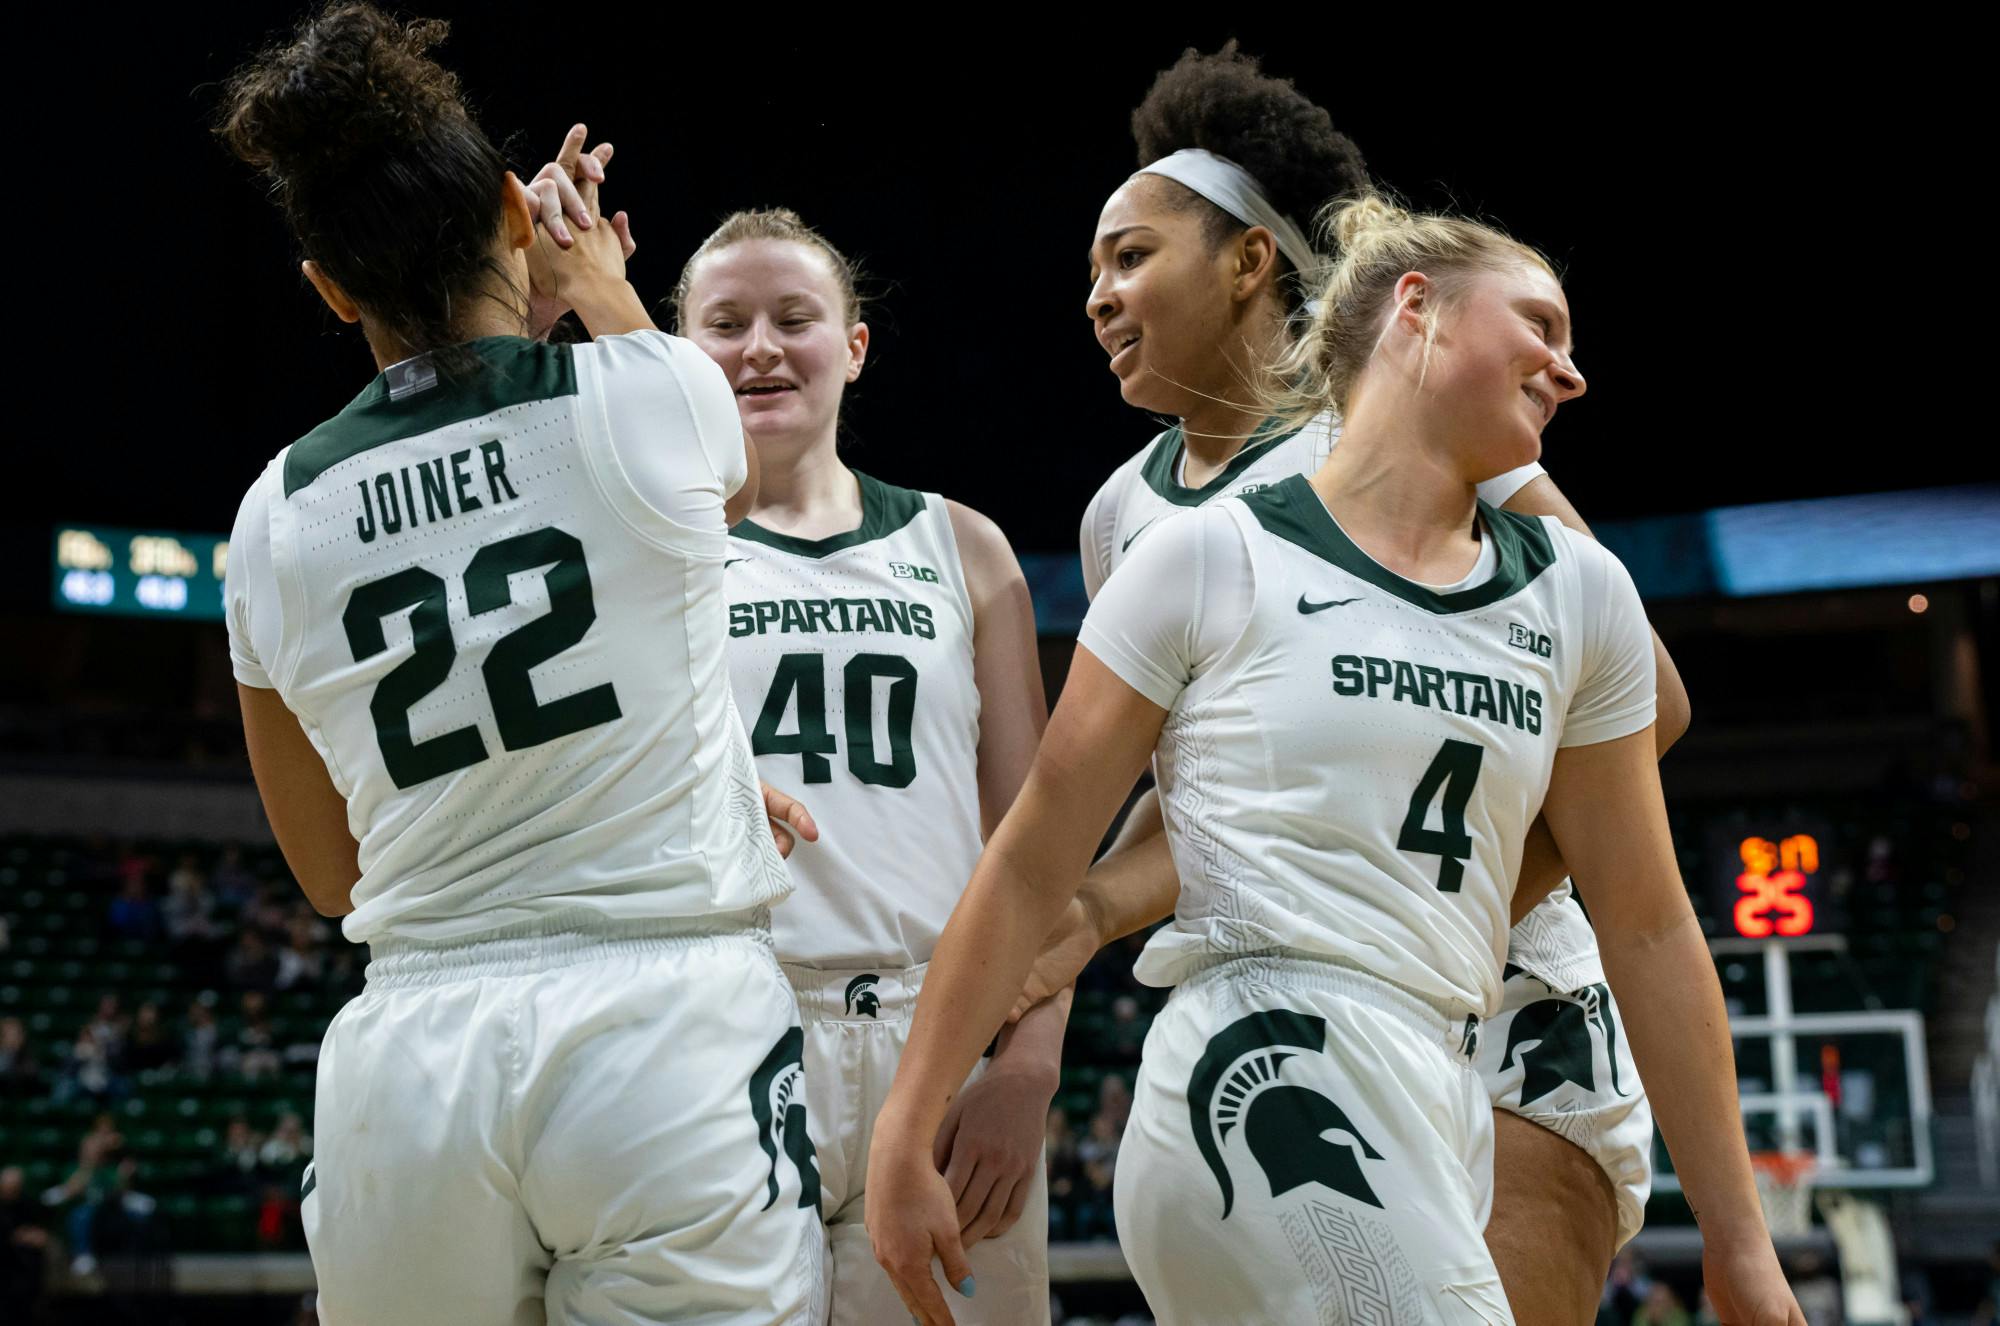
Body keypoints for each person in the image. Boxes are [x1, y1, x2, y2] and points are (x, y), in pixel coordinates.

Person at [865, 193, 1802, 1326]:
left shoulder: (1580, 592)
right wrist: (905, 1127)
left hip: (1447, 1066)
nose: (1569, 371)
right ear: (1416, 309)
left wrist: (1739, 1240)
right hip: (1263, 1057)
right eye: (1540, 327)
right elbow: (1029, 865)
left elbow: (1649, 927)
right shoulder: (1201, 555)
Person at [1032, 45, 1687, 1324]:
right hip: (1290, 1005)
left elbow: (1646, 702)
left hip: (1507, 997)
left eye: (1130, 256)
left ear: (1247, 262)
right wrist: (1077, 927)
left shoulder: (1405, 420)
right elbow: (1198, 804)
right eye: (1094, 270)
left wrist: (1447, 910)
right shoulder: (1124, 520)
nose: (1098, 297)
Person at [217, 6, 822, 1319]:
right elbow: (701, 490)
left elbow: (329, 874)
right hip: (663, 1026)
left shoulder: (271, 517)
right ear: (511, 206)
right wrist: (586, 280)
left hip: (412, 1062)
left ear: (328, 288)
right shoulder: (655, 395)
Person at [676, 207, 1057, 1322]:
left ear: (853, 346)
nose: (759, 347)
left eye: (793, 318)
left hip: (938, 1038)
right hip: (728, 1027)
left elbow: (1036, 843)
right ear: (680, 356)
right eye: (725, 324)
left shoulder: (964, 546)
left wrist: (1027, 1068)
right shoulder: (659, 550)